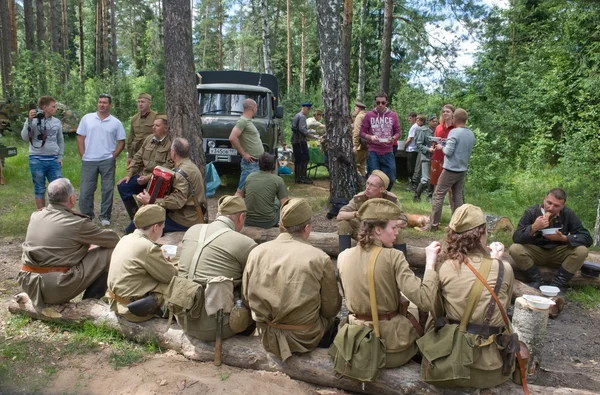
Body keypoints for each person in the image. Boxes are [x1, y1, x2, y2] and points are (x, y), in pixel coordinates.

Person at [337, 198, 441, 367]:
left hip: (355, 346)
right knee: (422, 314)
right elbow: (425, 300)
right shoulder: (394, 256)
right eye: (393, 227)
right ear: (378, 230)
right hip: (390, 351)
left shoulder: (343, 256)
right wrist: (430, 265)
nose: (397, 233)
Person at [421, 204, 514, 388]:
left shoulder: (446, 267)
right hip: (490, 371)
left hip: (448, 367)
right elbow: (504, 303)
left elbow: (433, 308)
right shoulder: (505, 269)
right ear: (482, 234)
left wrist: (429, 266)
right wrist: (496, 261)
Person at [243, 198, 342, 361]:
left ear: (281, 226)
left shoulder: (256, 251)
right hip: (304, 338)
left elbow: (247, 297)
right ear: (307, 228)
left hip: (266, 334)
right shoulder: (319, 258)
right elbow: (330, 309)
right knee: (331, 317)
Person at [17, 178, 120, 307]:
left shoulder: (36, 215)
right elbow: (114, 240)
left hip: (29, 283)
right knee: (110, 252)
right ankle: (91, 301)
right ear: (72, 199)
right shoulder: (77, 223)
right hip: (55, 288)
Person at [177, 195, 258, 340]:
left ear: (218, 215)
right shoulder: (245, 243)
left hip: (182, 317)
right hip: (215, 326)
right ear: (241, 217)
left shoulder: (192, 230)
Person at [509, 188, 592, 289]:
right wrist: (533, 227)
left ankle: (557, 284)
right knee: (515, 248)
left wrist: (564, 238)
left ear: (562, 206)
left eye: (556, 206)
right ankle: (536, 279)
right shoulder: (532, 212)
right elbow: (517, 238)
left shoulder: (568, 214)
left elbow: (587, 238)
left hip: (558, 252)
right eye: (549, 203)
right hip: (535, 251)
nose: (551, 208)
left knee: (582, 250)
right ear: (544, 199)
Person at [107, 204, 177, 322]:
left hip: (116, 303)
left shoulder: (125, 238)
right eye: (162, 227)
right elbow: (171, 276)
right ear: (155, 228)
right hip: (134, 310)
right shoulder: (148, 247)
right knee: (181, 287)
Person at [134, 137, 205, 234]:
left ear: (173, 153)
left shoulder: (181, 173)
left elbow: (177, 201)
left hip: (184, 219)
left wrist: (151, 200)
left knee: (143, 225)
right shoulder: (190, 165)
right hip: (188, 215)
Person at [77, 93, 126, 226]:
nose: (102, 105)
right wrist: (83, 155)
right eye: (100, 102)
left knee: (107, 189)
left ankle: (105, 216)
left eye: (105, 102)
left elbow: (121, 142)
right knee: (86, 190)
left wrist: (113, 156)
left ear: (110, 105)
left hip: (107, 160)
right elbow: (80, 137)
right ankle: (87, 216)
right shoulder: (87, 119)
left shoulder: (115, 122)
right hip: (89, 160)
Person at [424, 108, 475, 232]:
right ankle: (458, 225)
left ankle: (433, 225)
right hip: (462, 169)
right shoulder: (470, 133)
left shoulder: (454, 132)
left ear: (455, 119)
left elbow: (448, 151)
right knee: (457, 197)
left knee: (438, 194)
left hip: (450, 169)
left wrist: (442, 147)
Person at [337, 170, 407, 255]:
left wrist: (384, 224)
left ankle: (401, 263)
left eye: (372, 185)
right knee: (344, 224)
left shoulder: (391, 200)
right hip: (363, 230)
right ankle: (343, 259)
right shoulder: (360, 198)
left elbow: (404, 222)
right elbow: (340, 216)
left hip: (383, 232)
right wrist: (357, 214)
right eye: (367, 183)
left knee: (399, 232)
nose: (367, 187)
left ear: (381, 189)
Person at [117, 114, 173, 220]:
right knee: (123, 186)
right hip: (143, 176)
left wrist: (148, 178)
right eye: (153, 125)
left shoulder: (170, 144)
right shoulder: (149, 139)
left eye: (157, 125)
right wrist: (130, 174)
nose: (153, 127)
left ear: (166, 128)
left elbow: (167, 167)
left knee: (152, 198)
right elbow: (137, 157)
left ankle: (151, 219)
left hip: (158, 181)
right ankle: (135, 216)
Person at [21, 96, 64, 209]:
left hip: (53, 158)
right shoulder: (33, 120)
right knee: (39, 187)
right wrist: (29, 121)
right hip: (36, 158)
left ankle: (56, 213)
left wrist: (60, 156)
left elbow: (60, 140)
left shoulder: (57, 122)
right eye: (53, 106)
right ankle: (41, 213)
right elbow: (25, 137)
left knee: (58, 187)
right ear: (45, 107)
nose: (55, 109)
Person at [360, 92, 401, 191]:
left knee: (391, 178)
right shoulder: (369, 115)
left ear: (386, 102)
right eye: (378, 102)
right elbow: (361, 132)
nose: (380, 105)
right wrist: (370, 137)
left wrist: (393, 138)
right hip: (373, 150)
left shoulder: (393, 115)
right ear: (375, 102)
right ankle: (373, 198)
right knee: (373, 177)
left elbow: (398, 132)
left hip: (388, 151)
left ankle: (384, 195)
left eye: (383, 102)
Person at [239, 152, 289, 228]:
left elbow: (240, 194)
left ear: (258, 164)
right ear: (273, 166)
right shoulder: (278, 180)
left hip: (248, 220)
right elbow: (285, 204)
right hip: (268, 222)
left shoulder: (250, 177)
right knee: (278, 202)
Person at [229, 99, 264, 195]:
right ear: (253, 108)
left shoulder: (248, 121)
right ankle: (231, 208)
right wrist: (244, 154)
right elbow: (232, 137)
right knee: (240, 192)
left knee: (252, 191)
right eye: (256, 107)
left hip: (255, 162)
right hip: (250, 163)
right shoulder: (243, 121)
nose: (256, 109)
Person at [127, 93, 157, 167]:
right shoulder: (134, 118)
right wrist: (130, 156)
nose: (140, 104)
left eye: (143, 102)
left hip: (150, 152)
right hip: (136, 153)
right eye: (139, 102)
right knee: (134, 175)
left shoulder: (156, 117)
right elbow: (131, 138)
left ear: (149, 104)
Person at [430, 104, 455, 190]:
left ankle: (452, 204)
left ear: (453, 114)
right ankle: (436, 203)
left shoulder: (455, 128)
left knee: (450, 187)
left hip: (450, 159)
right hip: (437, 158)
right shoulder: (438, 127)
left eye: (447, 111)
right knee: (436, 184)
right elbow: (434, 141)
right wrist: (432, 147)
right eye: (443, 112)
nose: (445, 113)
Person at [413, 115, 436, 202]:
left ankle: (429, 196)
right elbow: (419, 144)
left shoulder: (438, 131)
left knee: (433, 178)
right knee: (425, 179)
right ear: (429, 122)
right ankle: (416, 195)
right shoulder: (423, 130)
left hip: (435, 157)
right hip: (426, 156)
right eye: (433, 121)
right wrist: (428, 149)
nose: (435, 123)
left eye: (436, 121)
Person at [291, 103, 314, 184]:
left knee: (298, 159)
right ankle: (302, 177)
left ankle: (298, 178)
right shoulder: (302, 117)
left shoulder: (297, 115)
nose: (308, 111)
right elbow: (302, 130)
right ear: (304, 108)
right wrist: (310, 135)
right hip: (300, 141)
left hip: (295, 140)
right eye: (308, 109)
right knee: (304, 158)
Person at [351, 101, 368, 177]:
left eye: (355, 108)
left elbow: (357, 132)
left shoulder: (359, 117)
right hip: (367, 146)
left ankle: (354, 185)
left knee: (353, 165)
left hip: (360, 146)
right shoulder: (368, 116)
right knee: (362, 167)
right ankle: (363, 185)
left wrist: (355, 145)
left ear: (358, 108)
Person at [404, 112, 419, 190]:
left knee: (411, 168)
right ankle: (414, 183)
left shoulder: (414, 127)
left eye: (410, 118)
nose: (408, 120)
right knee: (414, 167)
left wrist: (404, 146)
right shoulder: (417, 126)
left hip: (412, 149)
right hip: (415, 149)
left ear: (414, 118)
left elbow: (410, 139)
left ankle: (412, 184)